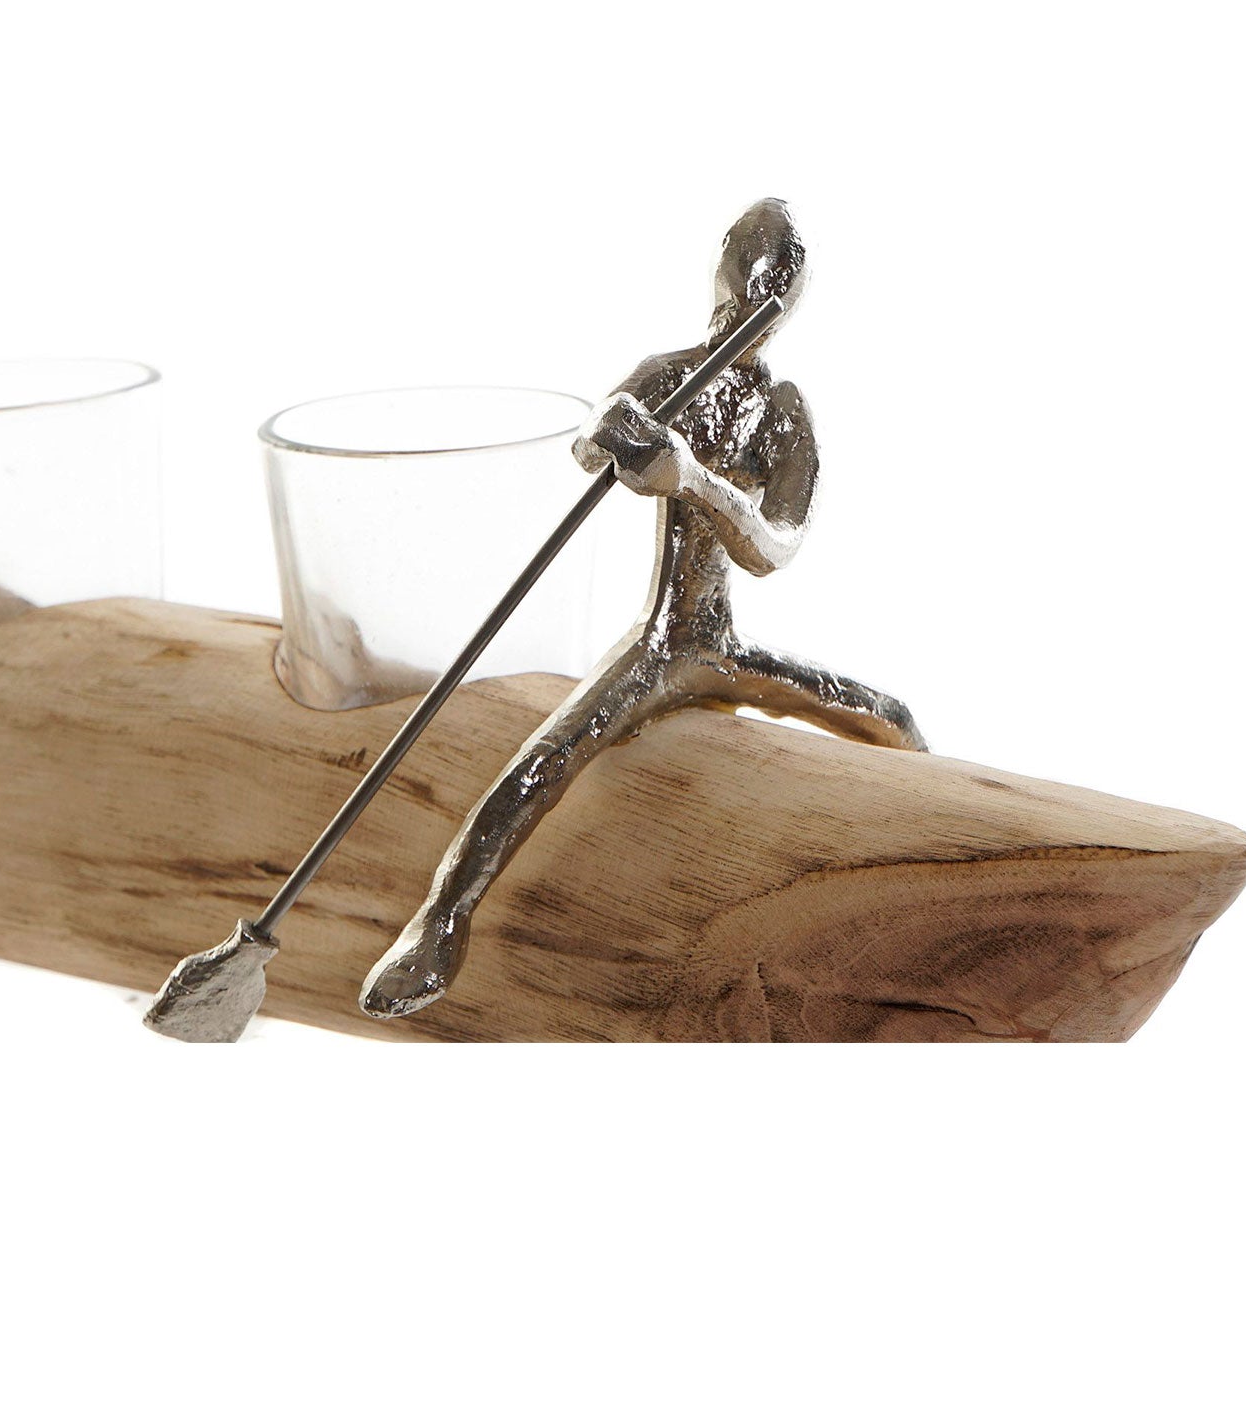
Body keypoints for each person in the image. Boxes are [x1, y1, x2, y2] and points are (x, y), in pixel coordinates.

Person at [359, 198, 928, 1018]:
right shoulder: (669, 373)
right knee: (541, 762)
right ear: (719, 278)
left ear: (788, 304)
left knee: (892, 718)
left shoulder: (781, 411)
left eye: (771, 292)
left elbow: (773, 546)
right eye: (743, 281)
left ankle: (934, 815)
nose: (750, 306)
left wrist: (689, 477)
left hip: (719, 644)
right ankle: (439, 924)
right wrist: (613, 429)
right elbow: (588, 447)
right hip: (659, 644)